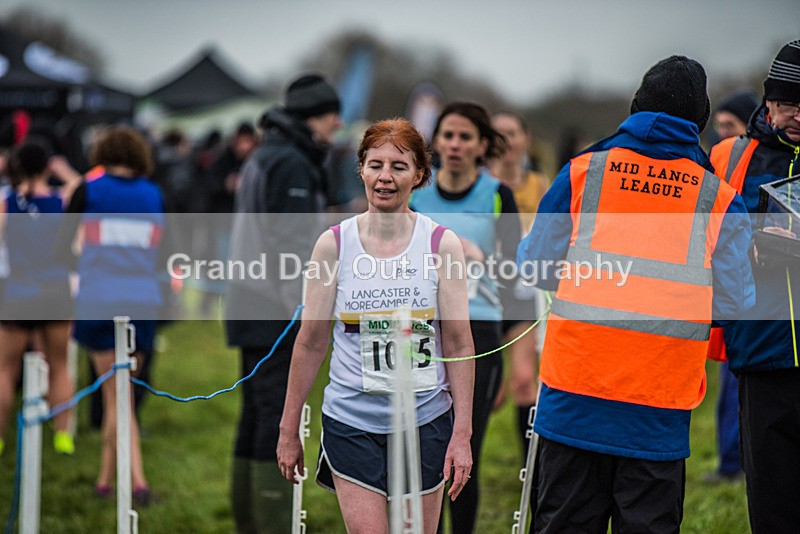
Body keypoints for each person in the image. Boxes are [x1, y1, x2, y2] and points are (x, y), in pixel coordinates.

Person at [517, 55, 755, 533]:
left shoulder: (584, 172)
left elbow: (533, 265)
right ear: (700, 122)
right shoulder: (720, 199)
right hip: (659, 407)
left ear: (635, 107)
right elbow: (736, 304)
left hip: (573, 399)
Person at [277, 118, 475, 532]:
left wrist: (462, 434)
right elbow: (310, 343)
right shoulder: (333, 244)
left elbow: (457, 343)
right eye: (375, 165)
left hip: (425, 420)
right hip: (352, 421)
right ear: (361, 170)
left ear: (419, 175)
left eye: (399, 167)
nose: (385, 177)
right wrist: (288, 427)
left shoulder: (442, 245)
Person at [224, 73, 342, 533]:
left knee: (254, 412)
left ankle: (250, 518)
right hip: (273, 305)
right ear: (315, 116)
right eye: (333, 114)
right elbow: (292, 243)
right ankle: (270, 521)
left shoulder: (267, 152)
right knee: (273, 415)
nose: (338, 123)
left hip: (249, 300)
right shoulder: (291, 161)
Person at [409, 101, 520, 533]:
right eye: (448, 135)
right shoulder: (416, 194)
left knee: (464, 443)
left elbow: (516, 273)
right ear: (434, 142)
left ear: (482, 146)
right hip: (423, 327)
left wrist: (481, 259)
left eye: (465, 137)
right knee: (425, 442)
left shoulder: (496, 195)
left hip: (479, 330)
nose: (455, 145)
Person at [709, 40, 800, 534]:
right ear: (769, 103)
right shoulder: (729, 157)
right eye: (790, 102)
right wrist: (749, 243)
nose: (799, 115)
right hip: (761, 354)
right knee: (772, 499)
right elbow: (699, 236)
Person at [66, 126, 165, 506]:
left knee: (115, 398)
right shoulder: (153, 193)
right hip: (141, 304)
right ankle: (110, 480)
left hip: (97, 301)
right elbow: (162, 250)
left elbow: (63, 247)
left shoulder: (87, 190)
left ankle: (132, 483)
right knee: (119, 398)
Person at [0, 142, 80, 458]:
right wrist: (63, 171)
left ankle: (1, 437)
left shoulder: (7, 203)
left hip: (19, 291)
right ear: (47, 166)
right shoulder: (62, 202)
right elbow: (82, 187)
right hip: (57, 291)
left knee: (5, 369)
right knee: (59, 365)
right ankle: (63, 435)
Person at [702, 89, 759, 485]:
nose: (723, 135)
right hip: (725, 294)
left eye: (730, 127)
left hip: (754, 297)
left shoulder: (750, 163)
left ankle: (737, 464)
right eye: (718, 127)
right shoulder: (718, 162)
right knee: (727, 388)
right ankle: (729, 462)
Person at [488, 111, 549, 457]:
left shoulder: (541, 186)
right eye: (498, 133)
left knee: (525, 381)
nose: (506, 141)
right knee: (491, 393)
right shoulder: (477, 184)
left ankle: (532, 471)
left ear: (525, 139)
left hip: (523, 293)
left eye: (512, 133)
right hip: (481, 293)